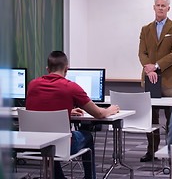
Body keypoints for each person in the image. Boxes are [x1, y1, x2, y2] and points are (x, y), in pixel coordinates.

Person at [26, 51, 120, 179]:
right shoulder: (71, 87)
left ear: (47, 69)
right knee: (87, 136)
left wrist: (67, 111)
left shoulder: (32, 85)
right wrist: (111, 109)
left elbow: (41, 109)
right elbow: (98, 113)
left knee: (52, 140)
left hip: (35, 143)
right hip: (63, 145)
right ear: (66, 69)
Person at [138, 0, 172, 162]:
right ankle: (151, 151)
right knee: (151, 118)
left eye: (163, 5)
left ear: (168, 9)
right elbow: (142, 52)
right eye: (158, 5)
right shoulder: (145, 29)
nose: (160, 8)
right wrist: (148, 69)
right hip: (150, 78)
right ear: (153, 7)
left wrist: (156, 66)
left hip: (170, 79)